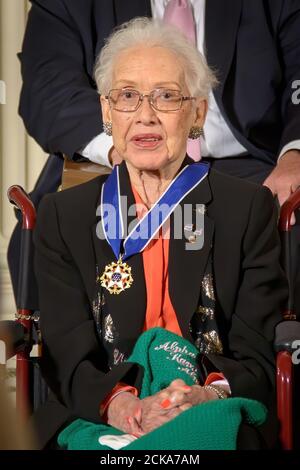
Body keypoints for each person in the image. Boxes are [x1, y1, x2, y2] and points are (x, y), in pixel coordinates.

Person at [32, 18, 288, 449]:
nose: (145, 115)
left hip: (205, 404)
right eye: (128, 96)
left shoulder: (245, 209)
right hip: (105, 410)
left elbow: (257, 350)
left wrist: (205, 394)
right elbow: (67, 352)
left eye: (167, 96)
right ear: (106, 112)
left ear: (198, 113)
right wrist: (123, 407)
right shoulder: (64, 216)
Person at [8, 0, 300, 312]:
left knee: (289, 224)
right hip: (109, 160)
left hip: (252, 163)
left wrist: (295, 153)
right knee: (49, 231)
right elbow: (48, 90)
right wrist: (130, 146)